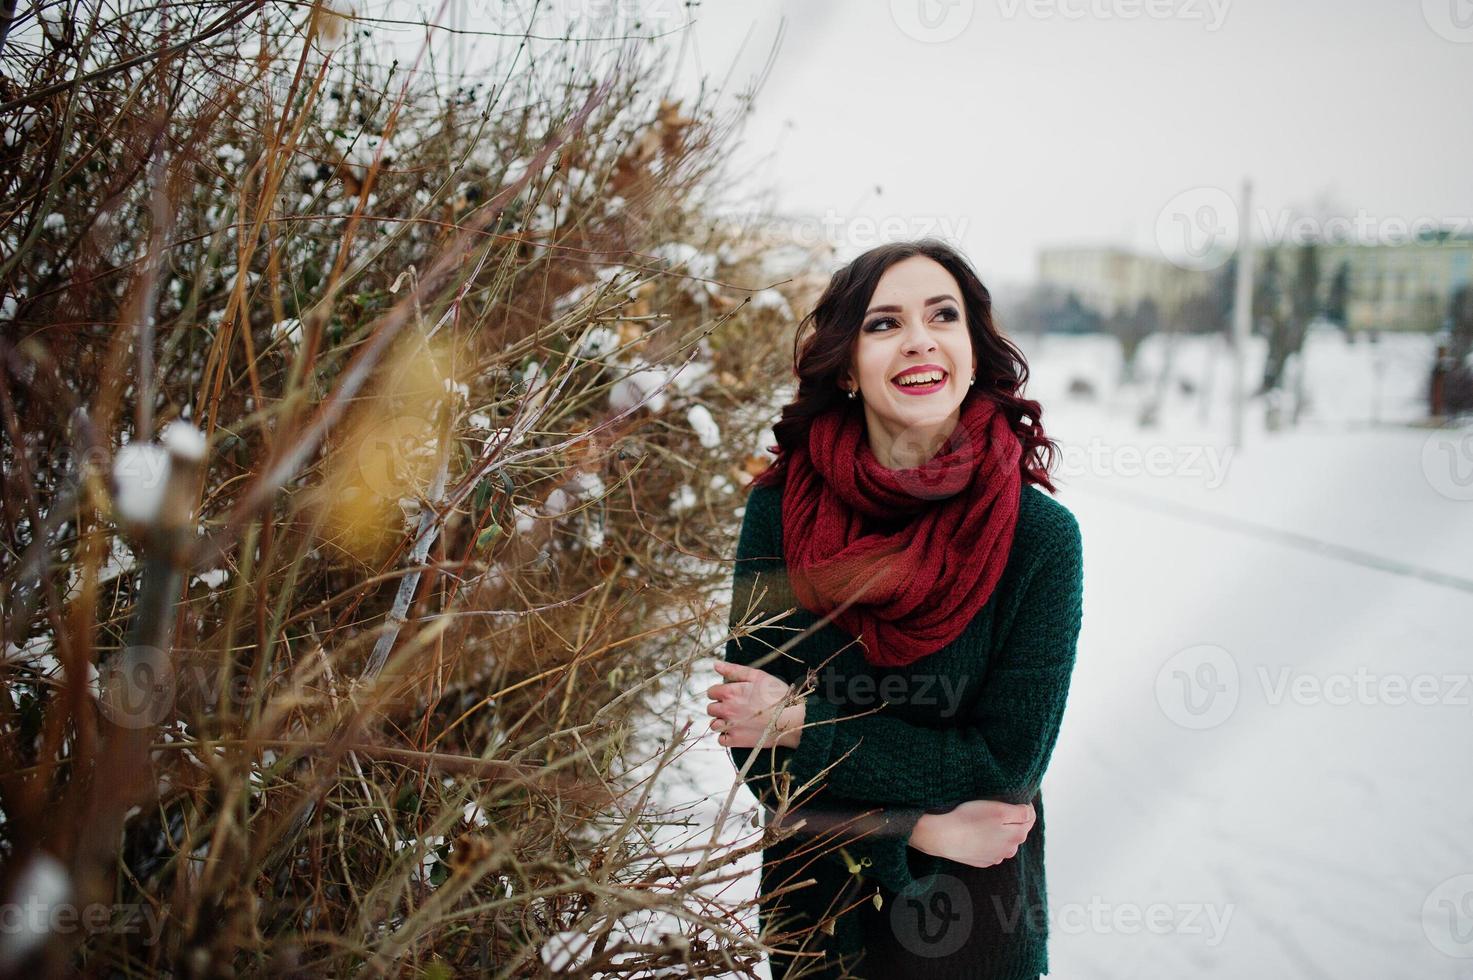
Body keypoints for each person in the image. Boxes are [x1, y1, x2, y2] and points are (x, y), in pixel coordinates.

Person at [707, 239, 1085, 979]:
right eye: (883, 323)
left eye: (941, 316)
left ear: (972, 350)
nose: (918, 338)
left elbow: (1004, 766)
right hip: (812, 919)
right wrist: (920, 827)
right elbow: (754, 752)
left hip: (970, 926)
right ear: (845, 365)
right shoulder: (779, 513)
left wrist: (801, 724)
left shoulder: (1039, 539)